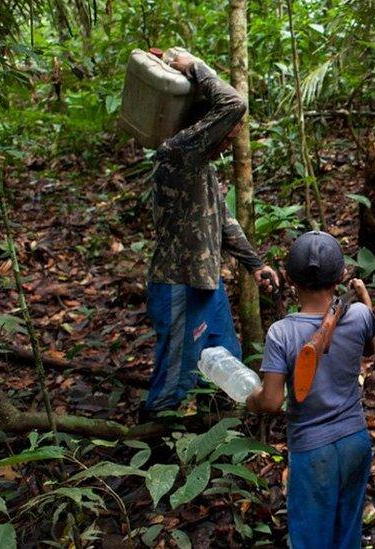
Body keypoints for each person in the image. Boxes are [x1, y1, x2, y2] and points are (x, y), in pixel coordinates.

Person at [142, 52, 278, 419]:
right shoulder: (177, 154)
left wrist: (254, 265)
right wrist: (194, 67)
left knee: (223, 360)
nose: (230, 138)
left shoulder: (198, 166)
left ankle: (217, 434)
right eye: (225, 133)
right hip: (177, 284)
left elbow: (220, 218)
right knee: (176, 376)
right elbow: (234, 103)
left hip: (204, 281)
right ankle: (150, 443)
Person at [247, 231, 375, 549]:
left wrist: (251, 398)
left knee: (310, 539)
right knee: (348, 533)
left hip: (312, 450)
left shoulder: (282, 333)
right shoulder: (359, 315)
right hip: (355, 441)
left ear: (289, 278)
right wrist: (363, 296)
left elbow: (272, 401)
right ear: (342, 275)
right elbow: (371, 348)